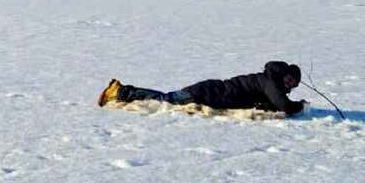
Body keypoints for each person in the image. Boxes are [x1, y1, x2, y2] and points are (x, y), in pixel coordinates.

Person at [98, 60, 306, 116]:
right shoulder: (269, 81)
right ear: (283, 73)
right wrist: (299, 107)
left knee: (167, 98)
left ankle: (123, 91)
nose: (288, 85)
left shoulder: (269, 82)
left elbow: (272, 103)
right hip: (207, 93)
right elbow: (283, 105)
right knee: (166, 99)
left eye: (292, 85)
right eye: (289, 80)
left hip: (210, 91)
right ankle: (120, 91)